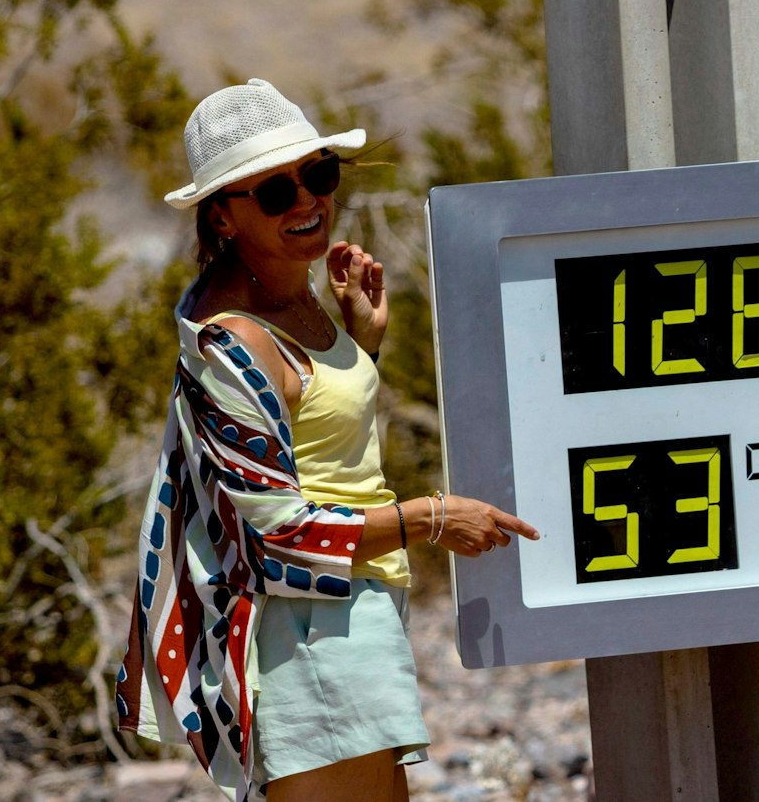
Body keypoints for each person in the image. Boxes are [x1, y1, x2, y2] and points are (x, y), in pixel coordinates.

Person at [116, 79, 539, 801]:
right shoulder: (233, 340)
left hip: (348, 617)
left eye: (318, 174)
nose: (308, 200)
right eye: (276, 193)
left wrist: (359, 345)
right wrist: (432, 518)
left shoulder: (288, 290)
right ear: (222, 217)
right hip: (306, 637)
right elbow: (281, 533)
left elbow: (306, 443)